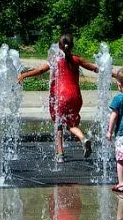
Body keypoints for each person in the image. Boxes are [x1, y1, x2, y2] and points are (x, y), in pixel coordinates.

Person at [18, 34, 100, 162]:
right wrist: (114, 74)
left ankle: (60, 155)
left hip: (59, 96)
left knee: (58, 125)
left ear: (59, 46)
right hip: (75, 96)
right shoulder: (76, 59)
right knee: (71, 123)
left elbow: (40, 70)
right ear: (71, 46)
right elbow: (95, 68)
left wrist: (24, 75)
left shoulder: (54, 59)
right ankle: (83, 138)